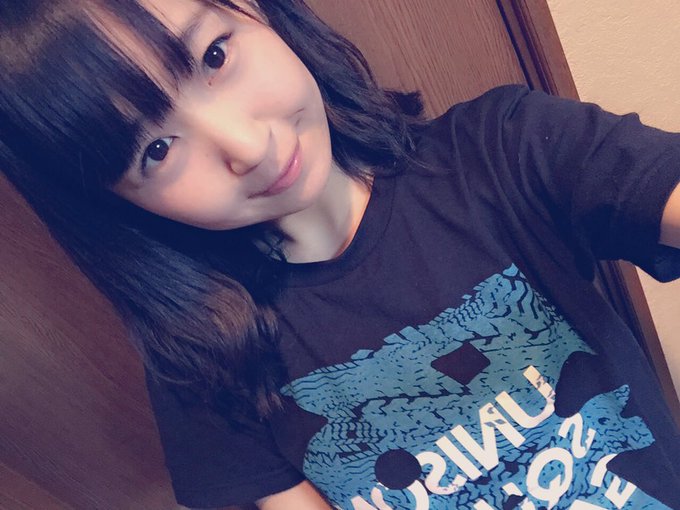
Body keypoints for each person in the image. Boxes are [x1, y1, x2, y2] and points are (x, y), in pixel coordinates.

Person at [1, 0, 680, 508]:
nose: (247, 146)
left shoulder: (505, 149)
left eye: (213, 57)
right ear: (119, 203)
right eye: (155, 150)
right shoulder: (202, 355)